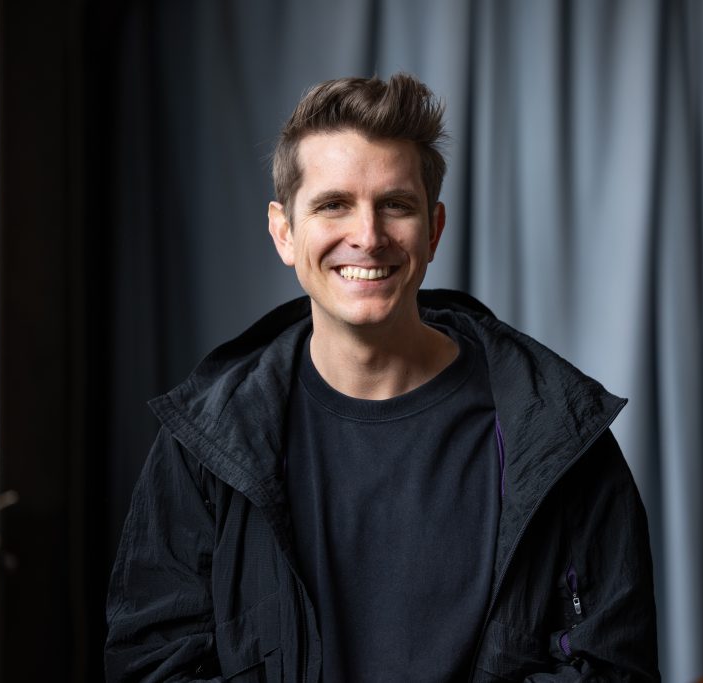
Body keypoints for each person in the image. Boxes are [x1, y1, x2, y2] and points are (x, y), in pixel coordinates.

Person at [105, 73, 659, 682]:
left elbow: (614, 668)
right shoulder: (204, 444)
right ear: (284, 231)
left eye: (396, 205)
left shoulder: (557, 434)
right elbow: (151, 667)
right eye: (333, 205)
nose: (367, 238)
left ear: (434, 229)